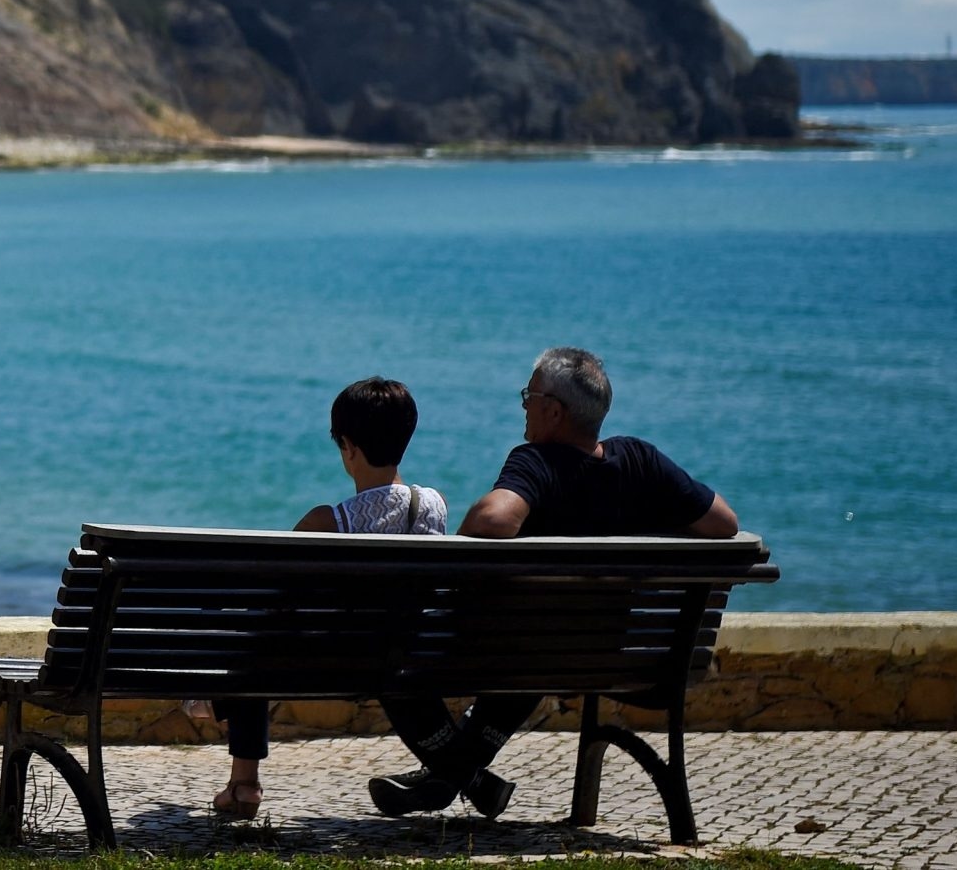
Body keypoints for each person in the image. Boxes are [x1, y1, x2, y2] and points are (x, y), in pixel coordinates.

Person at [367, 346, 741, 820]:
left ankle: (459, 774)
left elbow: (494, 519)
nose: (524, 403)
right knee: (534, 650)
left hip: (520, 651)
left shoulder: (537, 461)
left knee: (390, 649)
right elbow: (724, 522)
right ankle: (463, 775)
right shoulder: (642, 461)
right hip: (604, 651)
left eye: (530, 395)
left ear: (555, 411)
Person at [202, 377, 449, 820]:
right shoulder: (432, 506)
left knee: (256, 631)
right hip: (402, 657)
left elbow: (269, 594)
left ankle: (242, 778)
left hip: (321, 664)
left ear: (348, 448)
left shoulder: (327, 521)